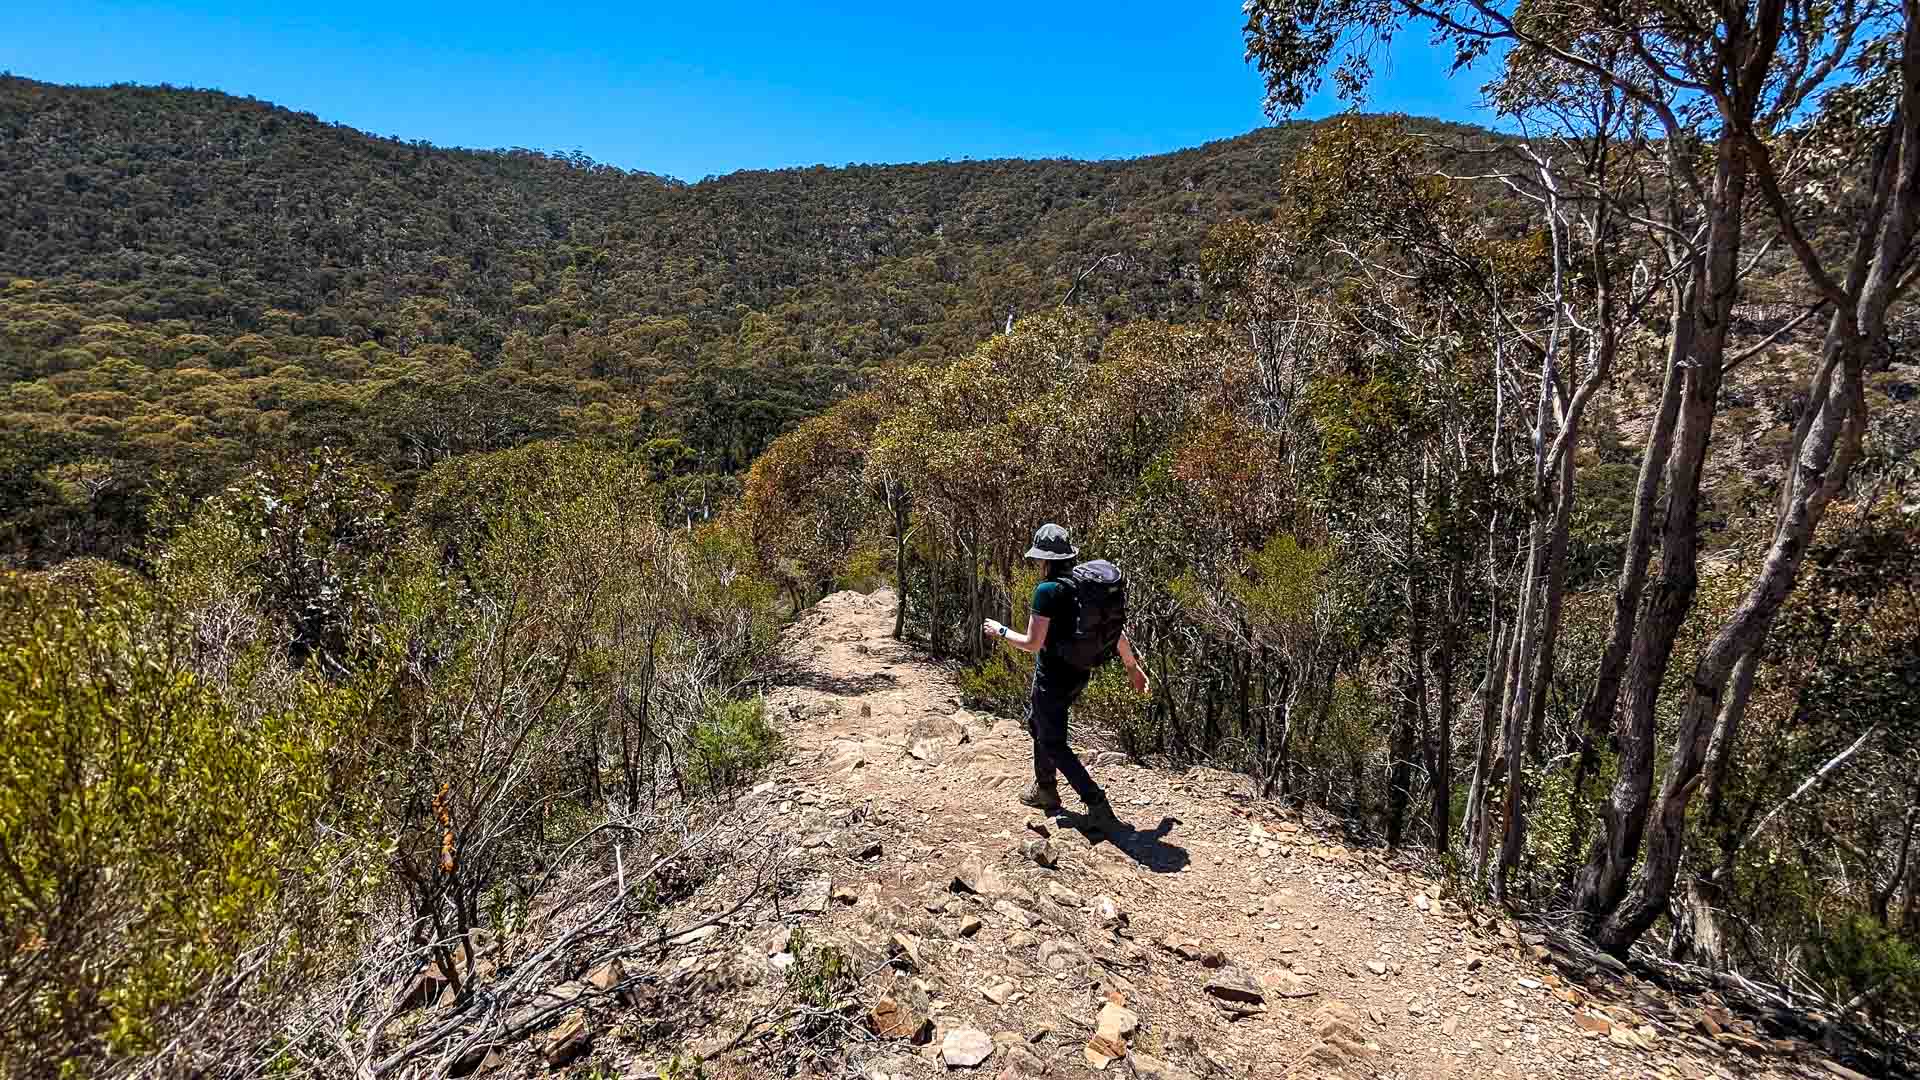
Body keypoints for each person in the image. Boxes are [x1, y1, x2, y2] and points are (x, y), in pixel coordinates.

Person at [982, 523, 1150, 833]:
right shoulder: (1083, 586)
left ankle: (1095, 801)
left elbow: (1033, 643)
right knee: (1038, 723)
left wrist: (1000, 631)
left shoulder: (1048, 590)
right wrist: (1131, 667)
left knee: (1053, 741)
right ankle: (1045, 786)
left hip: (1053, 675)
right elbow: (1115, 632)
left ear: (1044, 559)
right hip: (1080, 672)